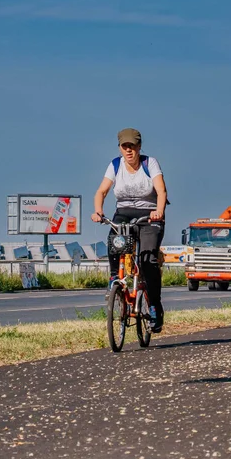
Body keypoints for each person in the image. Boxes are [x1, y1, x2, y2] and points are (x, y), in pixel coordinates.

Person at [91, 128, 168, 332]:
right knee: (114, 241)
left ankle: (154, 307)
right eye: (125, 146)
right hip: (124, 213)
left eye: (132, 146)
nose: (129, 150)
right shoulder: (115, 165)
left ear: (139, 147)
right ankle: (115, 277)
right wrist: (98, 211)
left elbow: (161, 191)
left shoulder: (149, 163)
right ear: (120, 148)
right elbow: (102, 191)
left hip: (149, 214)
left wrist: (158, 211)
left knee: (147, 259)